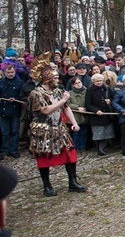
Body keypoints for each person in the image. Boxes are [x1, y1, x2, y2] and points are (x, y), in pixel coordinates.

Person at [27, 65, 87, 196]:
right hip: (43, 129)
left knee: (70, 153)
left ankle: (72, 182)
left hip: (59, 127)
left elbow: (66, 108)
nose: (57, 80)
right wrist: (63, 100)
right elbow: (46, 110)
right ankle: (47, 186)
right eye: (55, 78)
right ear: (47, 78)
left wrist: (74, 123)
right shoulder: (36, 93)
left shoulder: (58, 91)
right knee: (43, 156)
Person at [85, 73, 115, 156]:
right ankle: (100, 148)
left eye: (100, 81)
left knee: (106, 132)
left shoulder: (107, 89)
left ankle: (103, 148)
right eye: (97, 81)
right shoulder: (90, 90)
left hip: (106, 114)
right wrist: (96, 110)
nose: (99, 83)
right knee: (98, 133)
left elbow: (114, 98)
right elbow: (88, 104)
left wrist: (110, 101)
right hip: (96, 116)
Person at [0, 65, 24, 160]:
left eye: (12, 72)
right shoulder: (1, 82)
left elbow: (22, 96)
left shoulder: (20, 83)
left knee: (15, 132)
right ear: (5, 73)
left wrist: (16, 99)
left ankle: (14, 150)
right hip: (3, 110)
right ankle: (5, 150)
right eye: (8, 72)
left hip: (15, 110)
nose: (10, 74)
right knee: (5, 132)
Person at [67, 77, 89, 151]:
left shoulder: (86, 91)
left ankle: (83, 147)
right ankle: (76, 147)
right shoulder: (70, 93)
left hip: (85, 114)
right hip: (75, 115)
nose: (78, 84)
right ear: (73, 85)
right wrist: (77, 107)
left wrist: (86, 107)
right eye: (76, 83)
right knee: (76, 133)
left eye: (79, 82)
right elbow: (67, 104)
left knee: (84, 132)